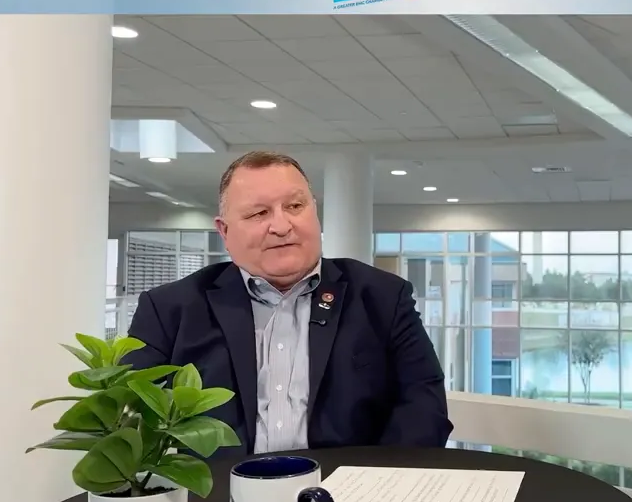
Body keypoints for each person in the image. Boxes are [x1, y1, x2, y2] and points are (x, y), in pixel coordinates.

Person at [124, 150, 452, 453]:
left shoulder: (383, 297)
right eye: (259, 213)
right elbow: (128, 420)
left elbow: (424, 406)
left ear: (315, 213)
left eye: (295, 207)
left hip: (347, 489)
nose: (281, 226)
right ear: (224, 232)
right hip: (220, 492)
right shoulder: (169, 309)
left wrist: (375, 485)